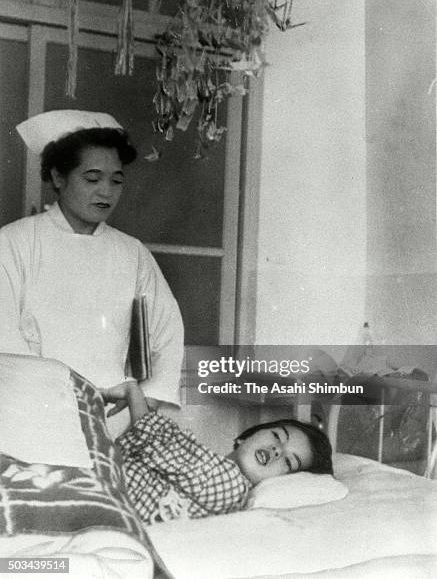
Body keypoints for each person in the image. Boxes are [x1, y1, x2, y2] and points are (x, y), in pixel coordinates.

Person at [0, 110, 184, 437]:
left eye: (116, 181)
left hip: (112, 418)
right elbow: (5, 338)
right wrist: (51, 399)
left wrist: (148, 401)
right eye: (92, 178)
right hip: (31, 413)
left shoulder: (132, 252)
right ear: (58, 177)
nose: (106, 192)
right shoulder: (14, 242)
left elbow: (168, 328)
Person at [100, 379, 333, 525]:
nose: (276, 451)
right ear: (245, 436)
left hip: (104, 508)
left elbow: (156, 441)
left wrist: (133, 392)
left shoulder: (233, 485)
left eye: (289, 462)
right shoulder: (207, 465)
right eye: (277, 437)